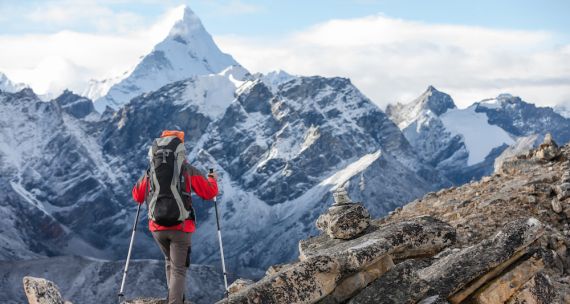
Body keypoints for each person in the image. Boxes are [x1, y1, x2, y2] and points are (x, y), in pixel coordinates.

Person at [132, 130, 218, 304]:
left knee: (169, 262)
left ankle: (176, 299)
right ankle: (175, 301)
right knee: (178, 269)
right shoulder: (187, 169)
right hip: (180, 226)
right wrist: (212, 179)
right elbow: (209, 193)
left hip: (157, 227)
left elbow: (137, 196)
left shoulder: (151, 171)